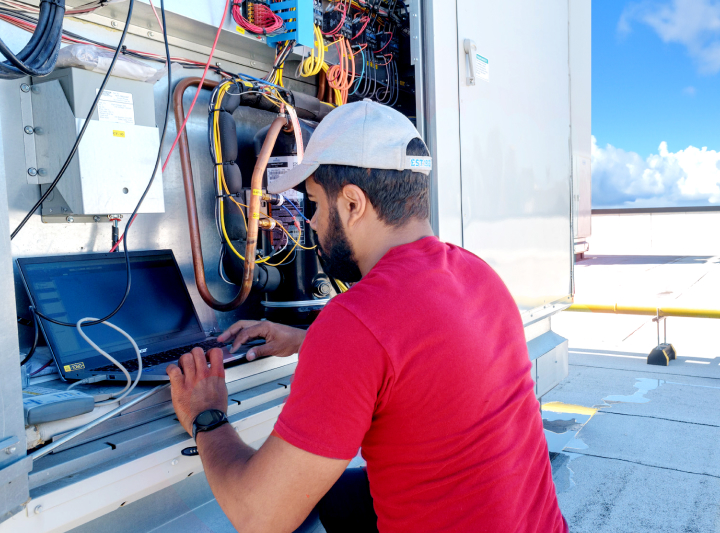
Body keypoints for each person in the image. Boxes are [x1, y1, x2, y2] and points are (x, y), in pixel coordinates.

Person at [167, 100, 568, 533]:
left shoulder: (356, 323)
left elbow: (259, 516)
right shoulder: (476, 274)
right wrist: (304, 339)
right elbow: (418, 353)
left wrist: (206, 415)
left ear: (353, 203)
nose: (313, 225)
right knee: (332, 497)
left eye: (316, 206)